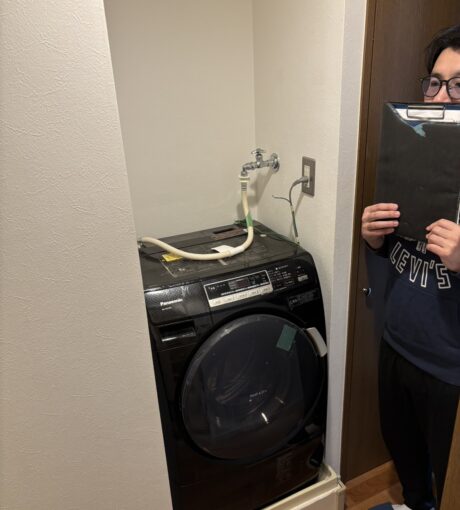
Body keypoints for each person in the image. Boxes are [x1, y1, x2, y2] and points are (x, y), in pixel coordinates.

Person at [362, 24, 460, 510]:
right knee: (406, 459)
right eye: (435, 82)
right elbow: (395, 256)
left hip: (450, 367)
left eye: (458, 86)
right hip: (398, 343)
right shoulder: (408, 152)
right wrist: (374, 239)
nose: (440, 96)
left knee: (449, 480)